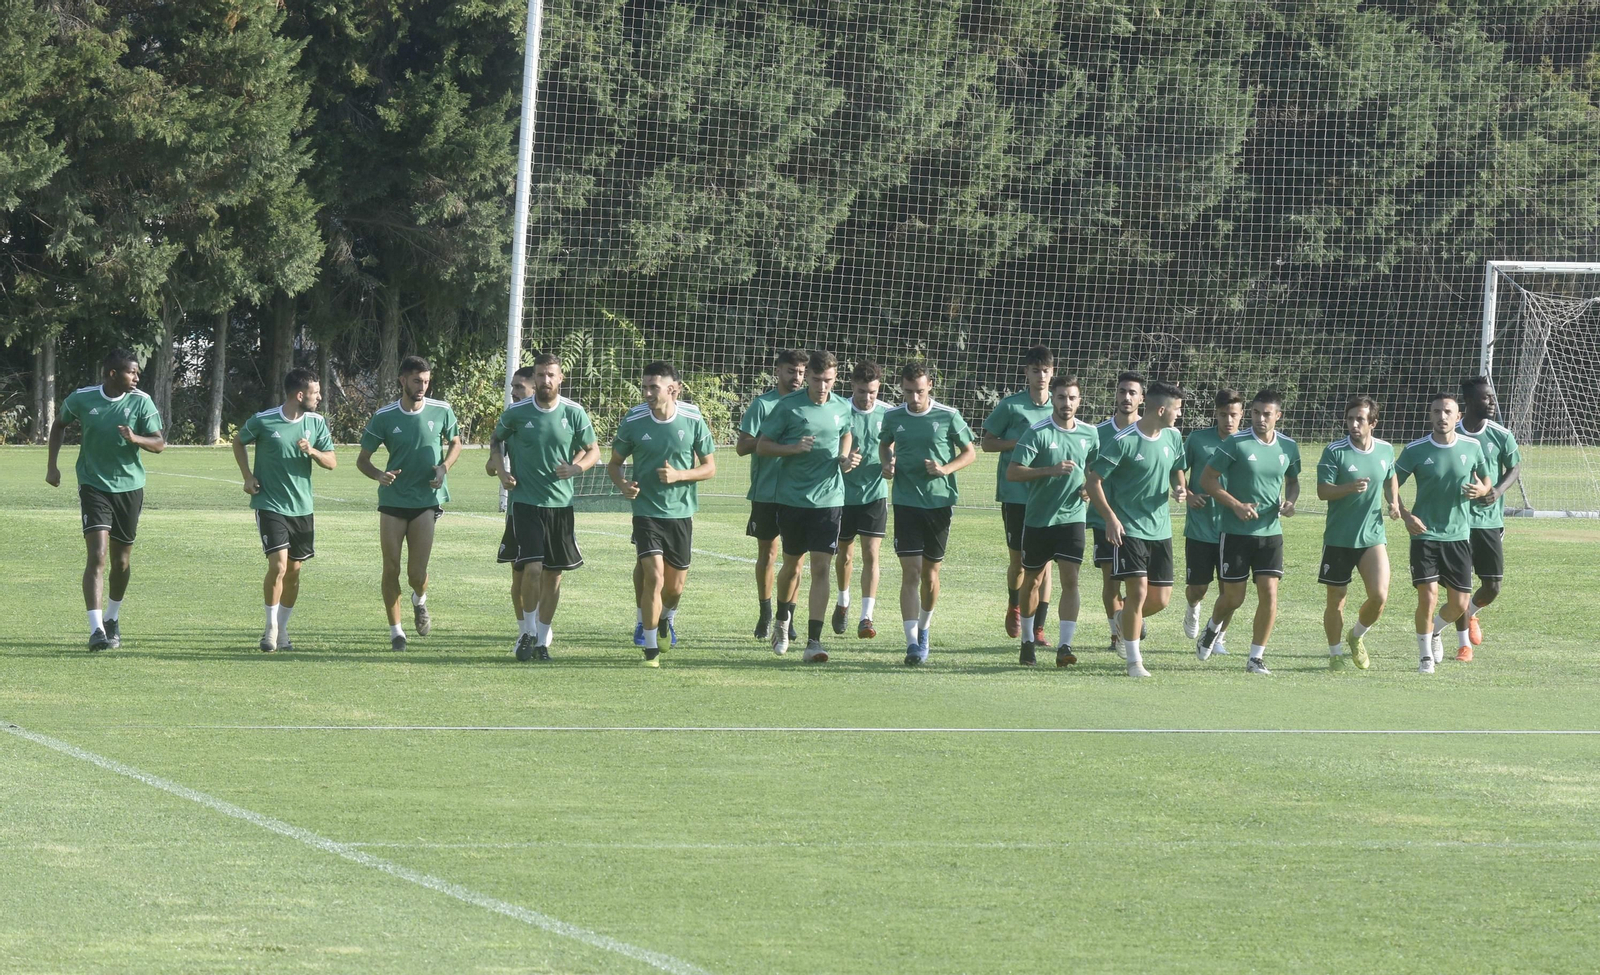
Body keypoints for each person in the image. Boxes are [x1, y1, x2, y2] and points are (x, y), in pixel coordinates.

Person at [45, 349, 166, 651]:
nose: (137, 377)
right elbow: (60, 424)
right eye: (132, 372)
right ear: (113, 373)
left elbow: (159, 443)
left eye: (137, 373)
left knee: (121, 561)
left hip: (129, 487)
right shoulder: (82, 398)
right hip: (93, 484)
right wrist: (52, 466)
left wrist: (135, 438)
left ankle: (112, 618)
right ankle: (96, 629)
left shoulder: (142, 401)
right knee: (97, 555)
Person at [490, 353, 601, 661]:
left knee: (554, 575)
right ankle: (526, 631)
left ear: (560, 378)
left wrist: (576, 469)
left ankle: (542, 640)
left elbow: (593, 449)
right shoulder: (517, 412)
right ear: (535, 378)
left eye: (551, 375)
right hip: (525, 503)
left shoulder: (575, 413)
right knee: (532, 568)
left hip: (560, 506)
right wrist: (502, 471)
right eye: (540, 375)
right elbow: (495, 441)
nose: (545, 381)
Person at [607, 361, 717, 666]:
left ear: (674, 389)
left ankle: (666, 617)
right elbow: (614, 464)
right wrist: (623, 485)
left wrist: (680, 476)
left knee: (674, 587)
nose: (646, 392)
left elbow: (709, 468)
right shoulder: (634, 419)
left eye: (653, 387)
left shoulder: (693, 418)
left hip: (681, 512)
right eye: (644, 386)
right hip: (646, 511)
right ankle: (650, 645)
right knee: (653, 577)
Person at [356, 356, 462, 651]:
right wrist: (380, 475)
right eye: (417, 381)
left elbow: (455, 442)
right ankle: (396, 632)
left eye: (426, 381)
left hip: (426, 500)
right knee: (390, 568)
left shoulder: (441, 410)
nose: (422, 387)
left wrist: (444, 468)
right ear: (402, 380)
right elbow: (362, 460)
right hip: (392, 501)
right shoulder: (385, 416)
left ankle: (420, 599)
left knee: (416, 573)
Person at [757, 350, 857, 661]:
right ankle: (782, 620)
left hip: (830, 499)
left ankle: (814, 641)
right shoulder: (788, 406)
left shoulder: (842, 406)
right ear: (808, 377)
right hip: (793, 499)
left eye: (828, 380)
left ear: (835, 378)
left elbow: (847, 433)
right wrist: (792, 448)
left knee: (821, 567)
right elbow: (761, 446)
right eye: (816, 380)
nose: (822, 386)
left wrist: (845, 458)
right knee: (791, 566)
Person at [1195, 389, 1302, 675]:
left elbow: (1293, 482)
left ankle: (1256, 657)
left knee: (1270, 594)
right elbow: (1207, 479)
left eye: (1267, 414)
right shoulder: (1236, 444)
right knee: (1234, 598)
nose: (1260, 418)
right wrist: (1235, 505)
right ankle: (1212, 628)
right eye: (1255, 412)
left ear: (1278, 416)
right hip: (1235, 533)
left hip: (1270, 533)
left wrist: (1290, 501)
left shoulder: (1289, 447)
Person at [1086, 381, 1188, 678]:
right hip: (1128, 529)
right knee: (1139, 591)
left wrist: (1179, 488)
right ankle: (1134, 662)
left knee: (1161, 599)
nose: (1179, 415)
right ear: (1161, 409)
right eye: (1177, 409)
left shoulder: (1173, 438)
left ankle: (1121, 617)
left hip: (1161, 530)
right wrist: (1110, 518)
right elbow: (1094, 482)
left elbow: (1176, 469)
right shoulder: (1124, 441)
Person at [233, 367, 337, 652]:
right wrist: (247, 476)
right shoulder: (264, 421)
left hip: (302, 508)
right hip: (270, 504)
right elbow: (238, 441)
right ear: (300, 394)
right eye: (316, 393)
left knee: (293, 571)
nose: (320, 397)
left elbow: (332, 462)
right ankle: (270, 629)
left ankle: (283, 629)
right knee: (278, 566)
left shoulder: (316, 423)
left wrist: (312, 452)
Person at [879, 363, 977, 665]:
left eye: (919, 391)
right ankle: (911, 642)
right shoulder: (893, 416)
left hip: (939, 503)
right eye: (908, 391)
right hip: (906, 502)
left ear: (930, 385)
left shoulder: (948, 416)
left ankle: (924, 629)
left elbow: (970, 452)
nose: (914, 397)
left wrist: (944, 469)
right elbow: (885, 445)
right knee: (911, 572)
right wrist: (888, 463)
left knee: (930, 575)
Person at [1395, 393, 1492, 674]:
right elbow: (1392, 484)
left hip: (1459, 537)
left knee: (1460, 604)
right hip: (1424, 535)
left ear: (1458, 417)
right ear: (1430, 416)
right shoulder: (1415, 449)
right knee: (1428, 596)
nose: (1442, 416)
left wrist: (1484, 490)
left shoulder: (1472, 447)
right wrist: (1405, 515)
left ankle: (1435, 631)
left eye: (1448, 411)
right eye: (1436, 411)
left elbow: (1486, 479)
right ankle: (1425, 656)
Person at [1006, 375, 1099, 667]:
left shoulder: (1090, 433)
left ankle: (1065, 645)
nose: (1066, 403)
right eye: (1061, 397)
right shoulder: (1037, 432)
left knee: (1070, 580)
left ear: (1079, 400)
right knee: (1032, 580)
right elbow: (1014, 472)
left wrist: (1088, 488)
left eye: (1072, 398)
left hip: (1072, 519)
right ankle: (1028, 641)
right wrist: (1049, 470)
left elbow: (1095, 470)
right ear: (1053, 399)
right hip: (1038, 520)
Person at [1315, 396, 1399, 670]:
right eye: (1350, 418)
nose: (1353, 424)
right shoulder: (1335, 451)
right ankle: (1335, 653)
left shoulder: (1385, 449)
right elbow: (1322, 491)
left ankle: (1357, 636)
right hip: (1339, 539)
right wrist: (1348, 488)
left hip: (1372, 537)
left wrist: (1394, 501)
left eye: (1360, 419)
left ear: (1373, 423)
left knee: (1379, 596)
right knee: (1336, 601)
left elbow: (1390, 476)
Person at [982, 344, 1056, 644]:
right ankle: (1014, 604)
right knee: (1020, 563)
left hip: (1049, 496)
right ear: (1026, 372)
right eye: (1035, 370)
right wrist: (1020, 444)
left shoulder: (1060, 405)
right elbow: (987, 443)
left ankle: (1038, 628)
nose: (1041, 376)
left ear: (1053, 373)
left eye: (1046, 371)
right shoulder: (1012, 406)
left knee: (1046, 564)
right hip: (1016, 495)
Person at [737, 349, 807, 641]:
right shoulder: (763, 405)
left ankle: (787, 616)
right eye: (792, 371)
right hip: (766, 492)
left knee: (797, 558)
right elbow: (742, 446)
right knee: (768, 553)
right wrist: (774, 442)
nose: (797, 377)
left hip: (799, 494)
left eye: (802, 372)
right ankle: (765, 612)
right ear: (778, 371)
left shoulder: (808, 405)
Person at [1453, 376, 1521, 659]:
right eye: (1485, 397)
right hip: (1456, 522)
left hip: (1490, 522)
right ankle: (1463, 645)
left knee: (1492, 586)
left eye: (1492, 397)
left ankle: (1471, 613)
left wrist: (1497, 490)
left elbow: (1514, 467)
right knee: (1459, 587)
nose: (1492, 401)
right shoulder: (1451, 434)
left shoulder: (1500, 434)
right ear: (1469, 402)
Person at [1181, 388, 1244, 657]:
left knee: (1228, 591)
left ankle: (1218, 638)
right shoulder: (1197, 440)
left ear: (1242, 415)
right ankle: (1193, 606)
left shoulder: (1247, 442)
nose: (1228, 421)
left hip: (1234, 530)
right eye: (1223, 415)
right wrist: (1190, 495)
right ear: (1215, 414)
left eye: (1233, 415)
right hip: (1200, 528)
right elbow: (1177, 472)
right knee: (1199, 588)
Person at [1087, 373, 1145, 655]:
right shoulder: (1098, 432)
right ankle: (1117, 635)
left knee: (1143, 585)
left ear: (1141, 398)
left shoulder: (1151, 432)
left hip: (1141, 523)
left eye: (1132, 392)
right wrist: (1085, 487)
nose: (1126, 397)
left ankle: (1129, 619)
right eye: (1122, 391)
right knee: (1111, 580)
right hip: (1104, 519)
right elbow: (1087, 467)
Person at [834, 359, 892, 640]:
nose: (867, 398)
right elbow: (827, 443)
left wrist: (892, 463)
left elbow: (897, 446)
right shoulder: (839, 410)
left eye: (872, 392)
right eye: (861, 392)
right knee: (844, 554)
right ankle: (843, 601)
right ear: (852, 387)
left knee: (871, 554)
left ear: (878, 388)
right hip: (842, 494)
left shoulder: (889, 414)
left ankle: (866, 616)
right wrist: (842, 459)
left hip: (875, 494)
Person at [488, 365, 537, 653]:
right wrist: (499, 468)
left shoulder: (555, 415)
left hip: (549, 507)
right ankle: (524, 632)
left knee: (544, 572)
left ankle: (541, 627)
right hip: (518, 510)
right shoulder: (512, 419)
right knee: (519, 574)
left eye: (519, 387)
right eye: (512, 388)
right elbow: (493, 455)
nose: (514, 393)